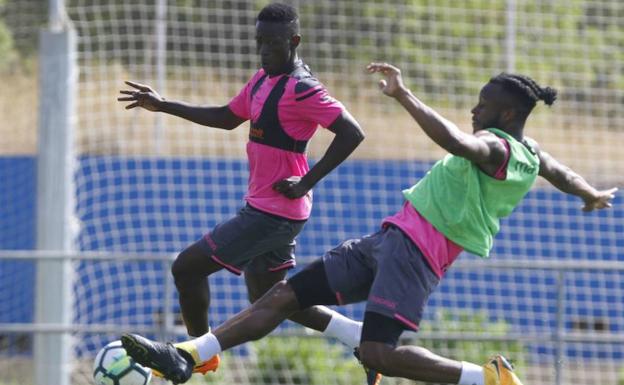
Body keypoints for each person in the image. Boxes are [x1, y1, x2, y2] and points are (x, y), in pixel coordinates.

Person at [120, 62, 617, 385]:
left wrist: (404, 96)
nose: (473, 109)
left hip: (416, 253)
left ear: (506, 113)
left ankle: (485, 379)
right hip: (390, 237)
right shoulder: (531, 153)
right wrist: (590, 193)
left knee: (379, 354)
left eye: (483, 105)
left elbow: (460, 145)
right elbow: (562, 172)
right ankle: (187, 355)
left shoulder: (496, 147)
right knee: (282, 295)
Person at [117, 2, 370, 378]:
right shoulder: (261, 80)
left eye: (273, 43)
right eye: (260, 41)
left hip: (275, 213)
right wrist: (164, 104)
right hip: (270, 209)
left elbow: (353, 132)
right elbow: (225, 118)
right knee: (269, 299)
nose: (265, 49)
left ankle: (194, 353)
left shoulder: (304, 89)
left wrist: (306, 182)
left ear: (294, 41)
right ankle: (358, 335)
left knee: (186, 268)